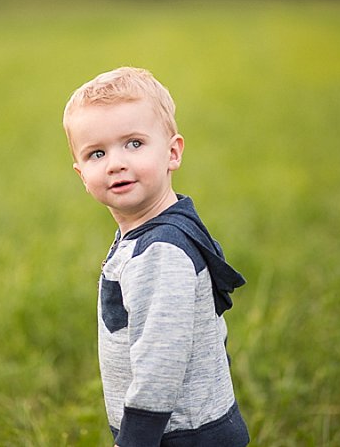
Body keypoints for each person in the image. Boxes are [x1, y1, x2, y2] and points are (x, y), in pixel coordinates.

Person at [62, 66, 250, 447]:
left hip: (181, 434)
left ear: (172, 152)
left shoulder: (161, 251)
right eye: (97, 153)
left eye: (134, 143)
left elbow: (161, 364)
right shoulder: (157, 230)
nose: (115, 163)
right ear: (82, 175)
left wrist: (134, 441)